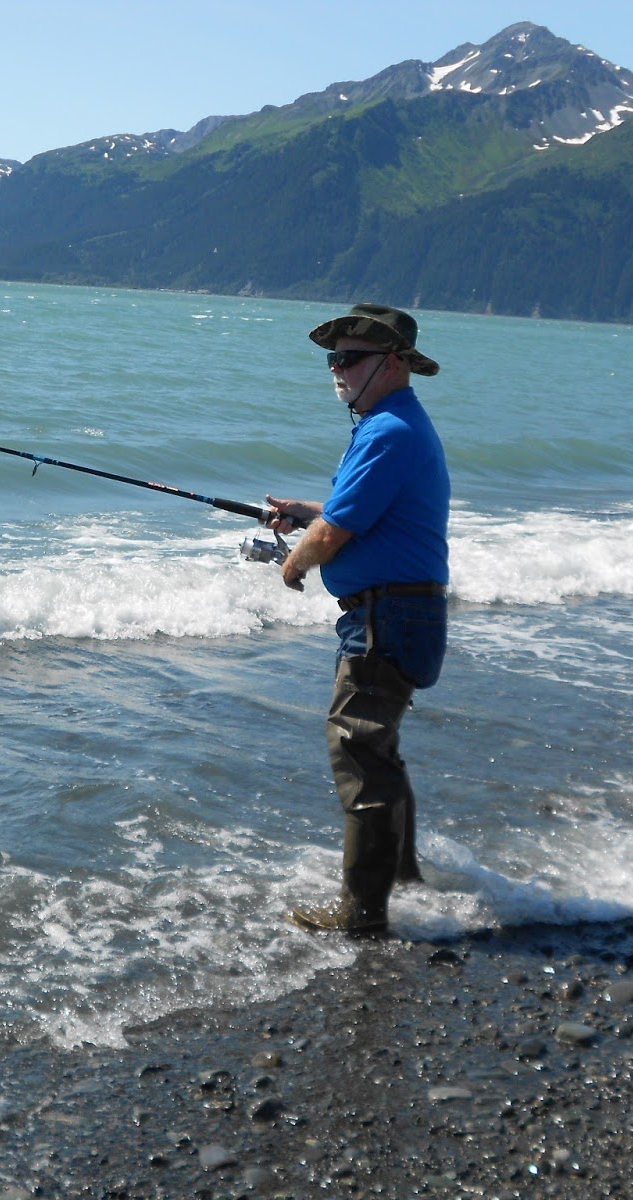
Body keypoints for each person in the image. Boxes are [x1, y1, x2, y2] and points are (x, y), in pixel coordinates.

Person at [266, 303, 449, 938]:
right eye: (333, 359)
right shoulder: (391, 426)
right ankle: (401, 880)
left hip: (385, 615)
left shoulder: (389, 430)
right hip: (402, 611)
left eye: (351, 358)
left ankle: (363, 915)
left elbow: (338, 529)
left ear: (394, 362)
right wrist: (304, 511)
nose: (337, 370)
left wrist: (295, 562)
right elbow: (353, 510)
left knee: (357, 747)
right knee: (378, 750)